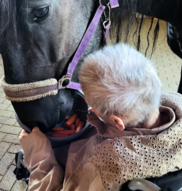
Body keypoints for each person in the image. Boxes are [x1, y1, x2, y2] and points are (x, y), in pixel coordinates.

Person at [19, 43, 182, 191]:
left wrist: (37, 154)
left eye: (93, 107)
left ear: (118, 122)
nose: (90, 110)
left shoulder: (103, 164)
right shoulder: (174, 102)